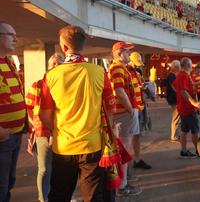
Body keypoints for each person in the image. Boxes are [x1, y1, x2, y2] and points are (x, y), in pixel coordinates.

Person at [39, 25, 113, 201]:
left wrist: (57, 130)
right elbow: (110, 110)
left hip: (63, 146)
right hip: (92, 146)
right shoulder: (100, 72)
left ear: (64, 48)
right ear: (83, 46)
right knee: (93, 196)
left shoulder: (51, 76)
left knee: (59, 195)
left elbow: (45, 115)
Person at [25, 53, 64, 202]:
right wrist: (36, 126)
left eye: (60, 63)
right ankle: (43, 199)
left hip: (64, 132)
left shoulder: (66, 85)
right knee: (45, 169)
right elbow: (29, 107)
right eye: (54, 64)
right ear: (49, 67)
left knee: (63, 169)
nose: (56, 66)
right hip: (44, 132)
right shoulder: (38, 85)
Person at [108, 42, 141, 196]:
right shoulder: (117, 68)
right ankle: (122, 186)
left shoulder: (120, 68)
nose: (129, 55)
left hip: (125, 112)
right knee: (125, 149)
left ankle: (124, 182)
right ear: (120, 54)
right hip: (124, 113)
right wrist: (130, 110)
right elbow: (119, 91)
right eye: (127, 52)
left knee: (125, 149)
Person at [0, 22, 27, 202]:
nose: (16, 39)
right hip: (3, 137)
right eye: (10, 34)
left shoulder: (8, 63)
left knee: (9, 182)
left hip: (16, 134)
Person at [127, 52, 151, 170]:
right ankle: (130, 162)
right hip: (133, 108)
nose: (137, 66)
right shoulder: (126, 73)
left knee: (137, 135)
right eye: (135, 63)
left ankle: (137, 159)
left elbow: (139, 87)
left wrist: (143, 88)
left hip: (140, 107)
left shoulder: (136, 73)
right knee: (130, 136)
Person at [174, 57, 200, 158]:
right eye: (190, 65)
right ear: (186, 65)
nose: (192, 67)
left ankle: (184, 151)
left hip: (183, 107)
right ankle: (199, 151)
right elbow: (183, 92)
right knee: (195, 131)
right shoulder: (183, 75)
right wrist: (194, 103)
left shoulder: (182, 75)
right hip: (188, 108)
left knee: (184, 130)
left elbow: (177, 87)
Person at [166, 60, 181, 141]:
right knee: (176, 117)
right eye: (179, 66)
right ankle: (174, 136)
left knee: (177, 117)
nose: (180, 67)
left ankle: (176, 135)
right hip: (173, 99)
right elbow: (174, 87)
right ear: (175, 67)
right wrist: (181, 93)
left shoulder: (173, 75)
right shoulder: (172, 76)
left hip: (174, 98)